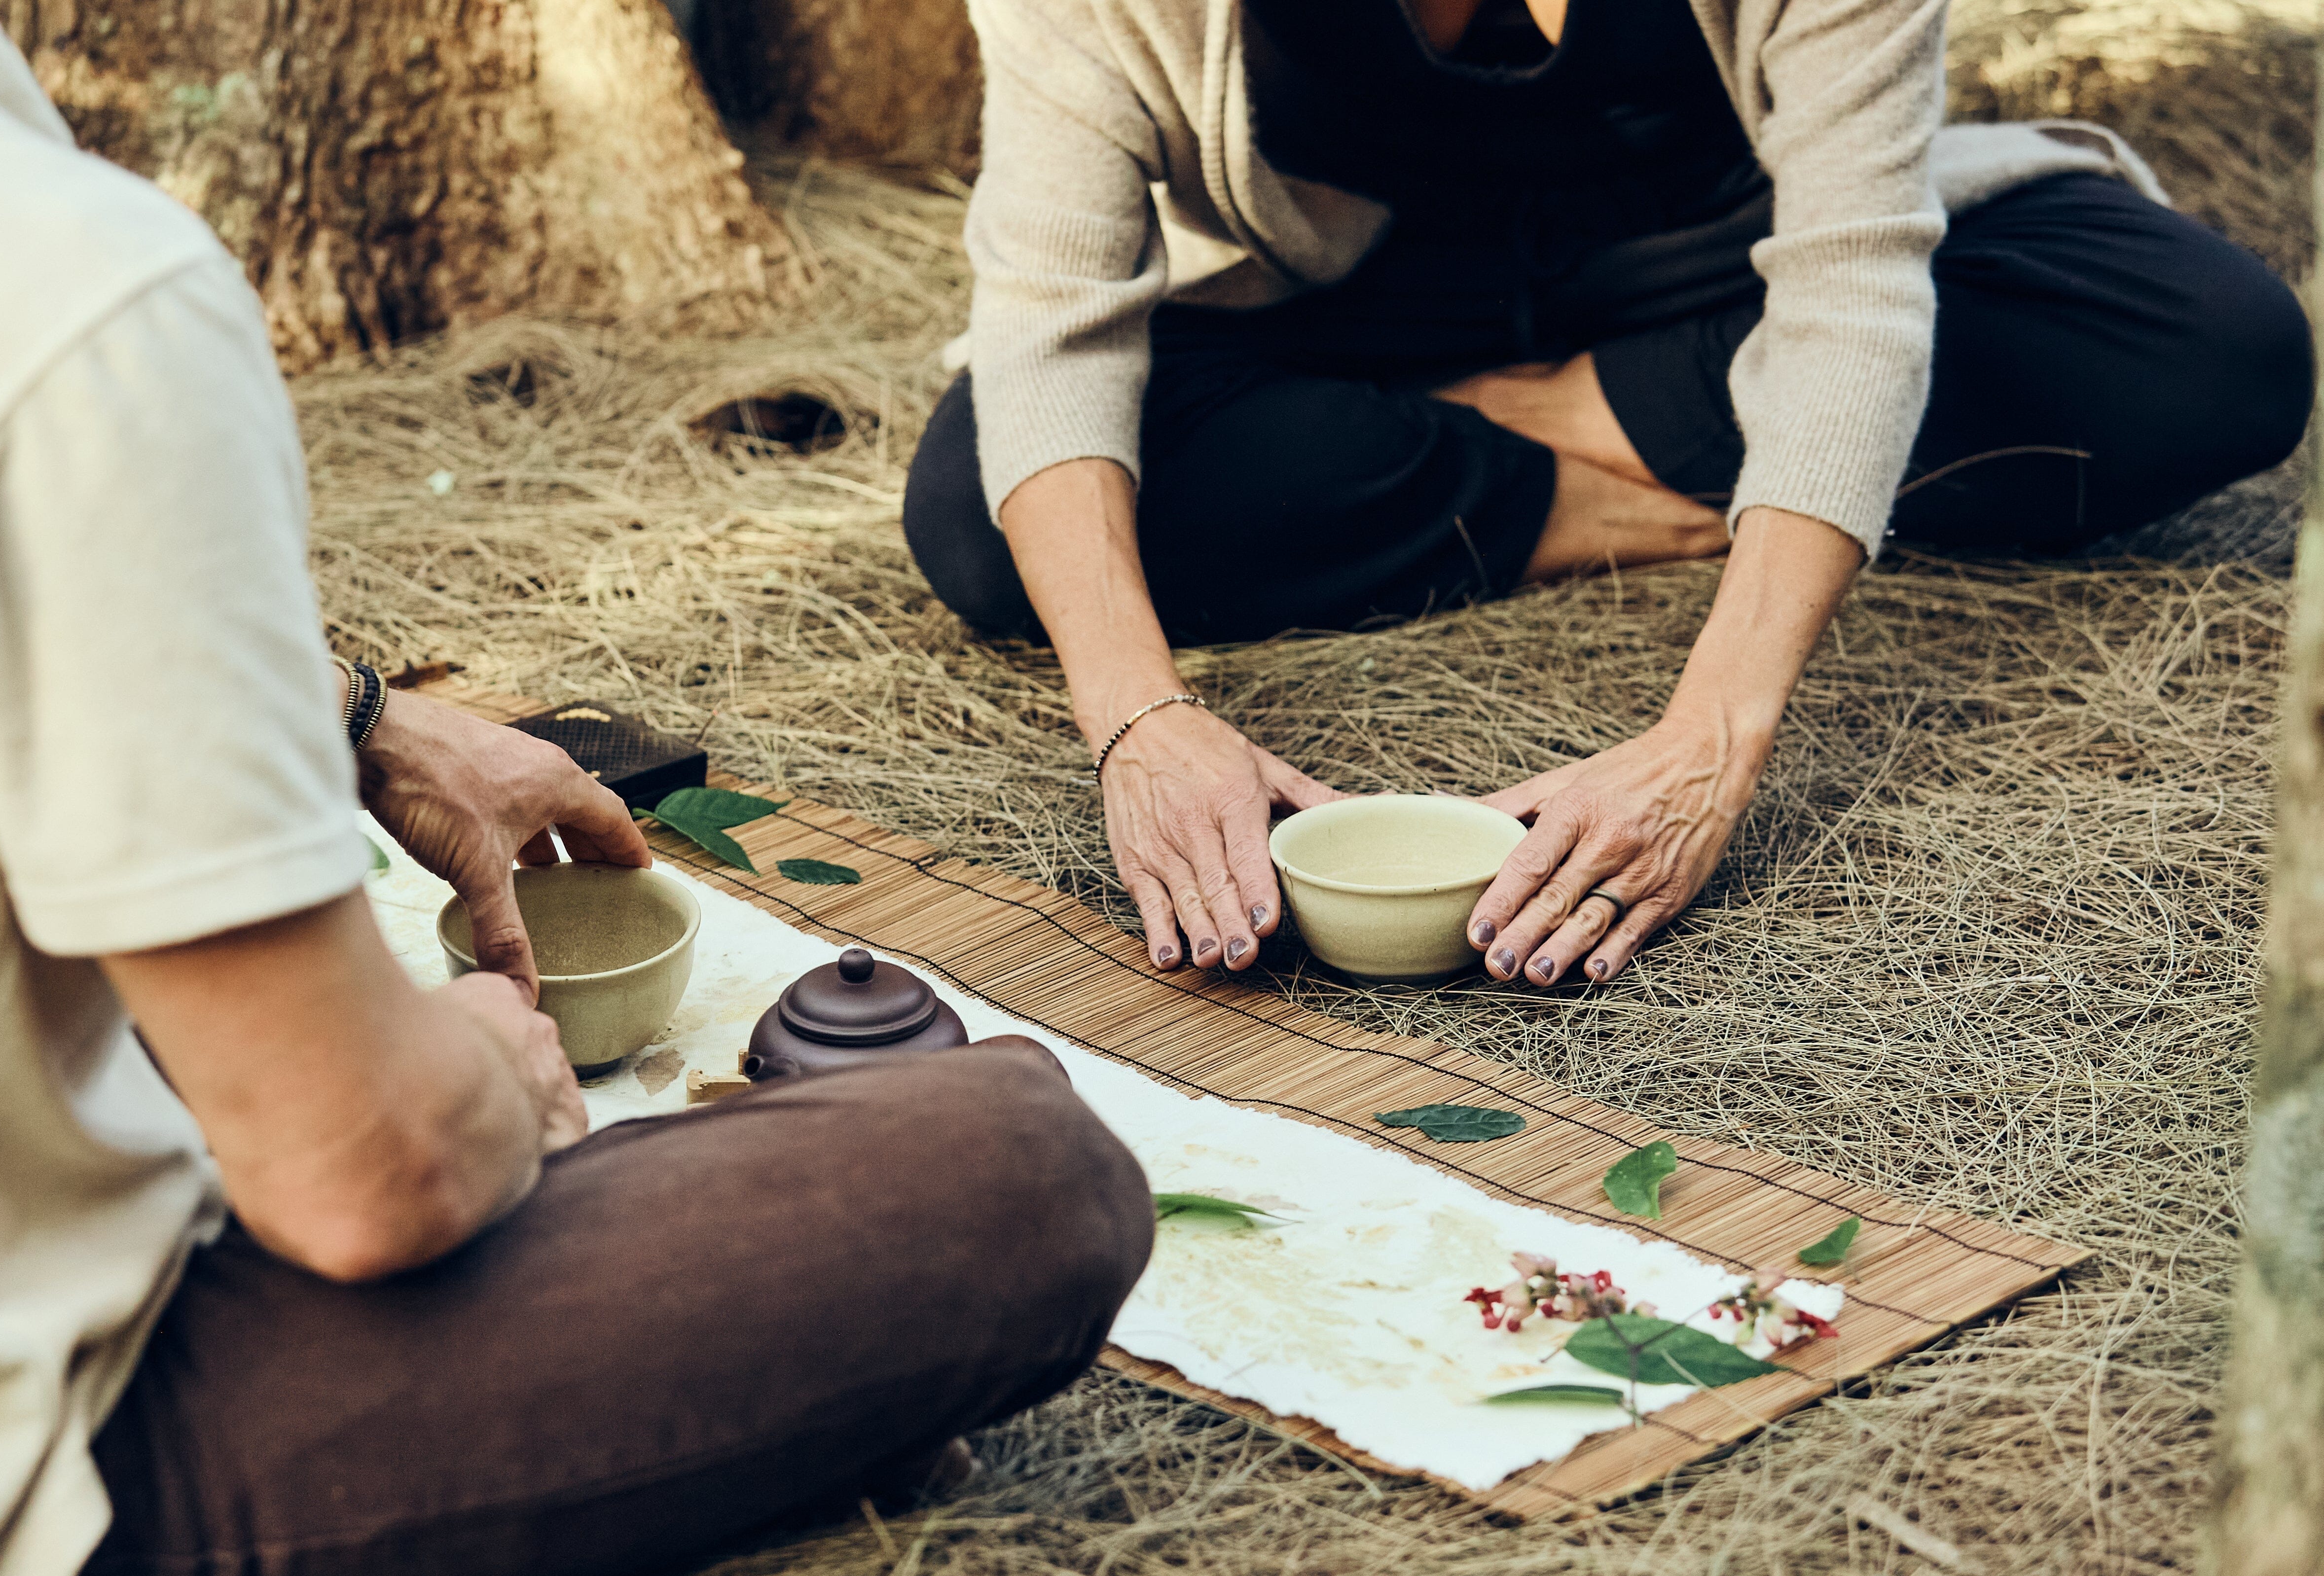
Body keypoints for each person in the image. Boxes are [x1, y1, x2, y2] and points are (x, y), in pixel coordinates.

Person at [0, 4, 1150, 1576]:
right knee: (1014, 1167)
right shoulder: (62, 297)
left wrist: (355, 715)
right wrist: (486, 1077)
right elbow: (366, 1179)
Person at [904, 0, 2312, 989]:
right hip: (1356, 309)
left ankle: (1513, 427)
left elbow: (1853, 285)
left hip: (1710, 271)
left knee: (2210, 353)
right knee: (988, 517)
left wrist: (1711, 735)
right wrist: (1143, 721)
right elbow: (1055, 322)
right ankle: (1692, 482)